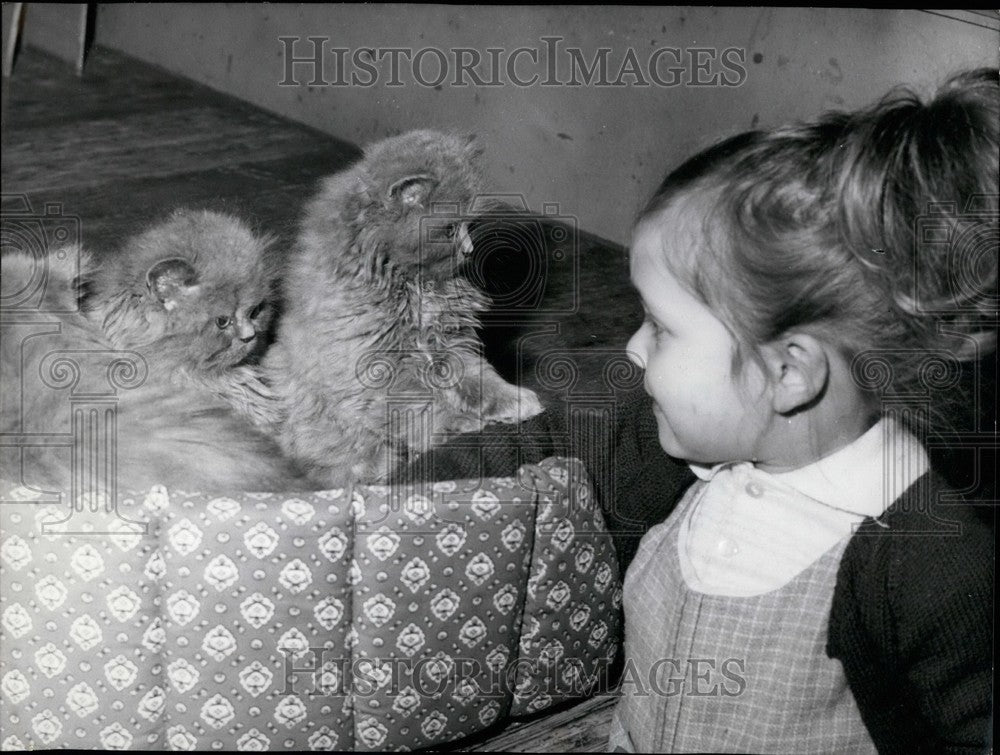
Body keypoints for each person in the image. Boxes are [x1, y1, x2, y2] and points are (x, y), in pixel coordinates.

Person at [608, 69, 996, 752]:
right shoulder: (699, 446)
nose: (633, 349)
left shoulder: (925, 561)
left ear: (788, 373)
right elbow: (569, 446)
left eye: (660, 327)